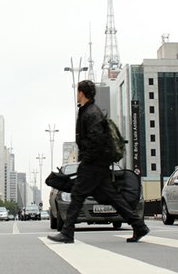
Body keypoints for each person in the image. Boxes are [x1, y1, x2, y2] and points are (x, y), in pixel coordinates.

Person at [47, 80, 149, 244]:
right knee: (112, 197)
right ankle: (139, 225)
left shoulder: (92, 113)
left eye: (77, 91)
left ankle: (67, 233)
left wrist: (86, 162)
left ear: (81, 93)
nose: (76, 94)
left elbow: (97, 140)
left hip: (93, 164)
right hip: (97, 164)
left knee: (78, 195)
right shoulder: (88, 110)